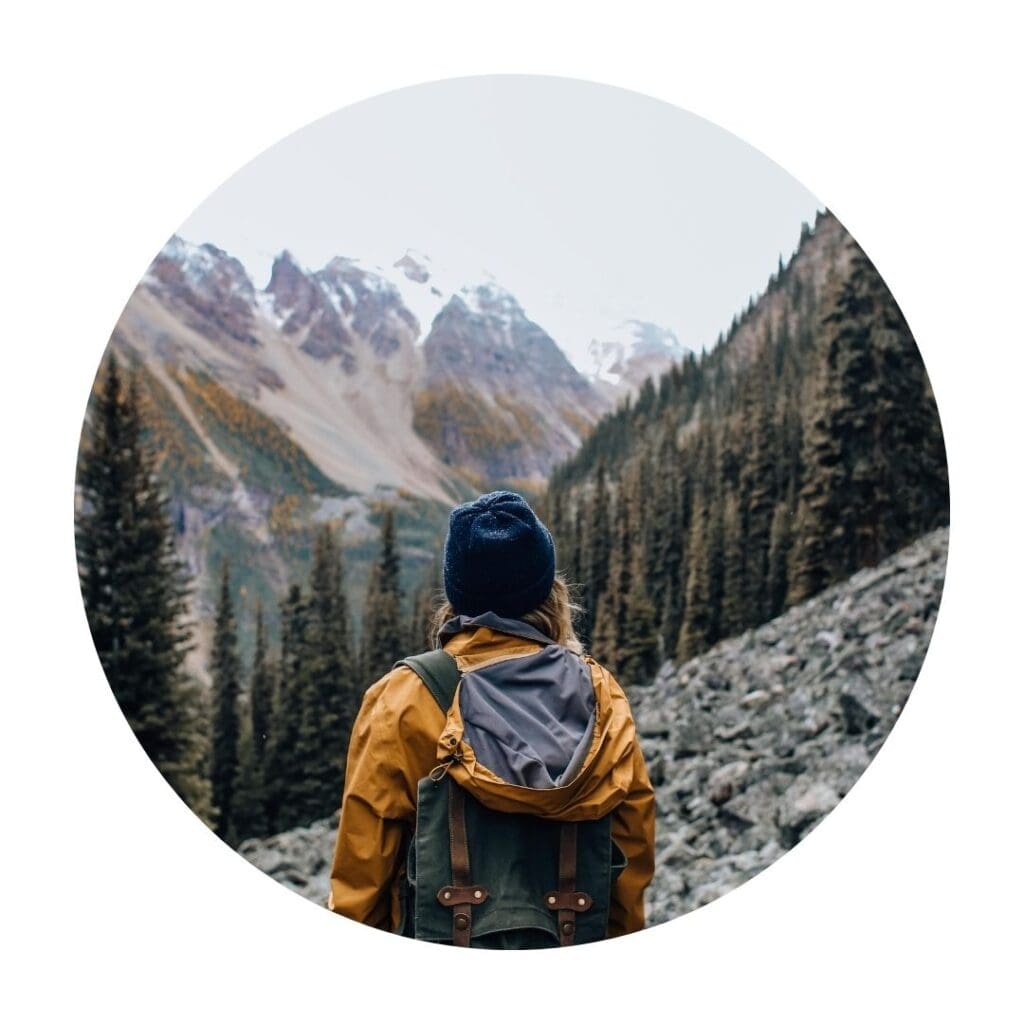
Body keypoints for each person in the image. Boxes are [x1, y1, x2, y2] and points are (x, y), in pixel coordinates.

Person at [327, 490, 656, 945]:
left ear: (456, 594)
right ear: (549, 590)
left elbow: (362, 878)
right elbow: (629, 852)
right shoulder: (603, 696)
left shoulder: (401, 699)